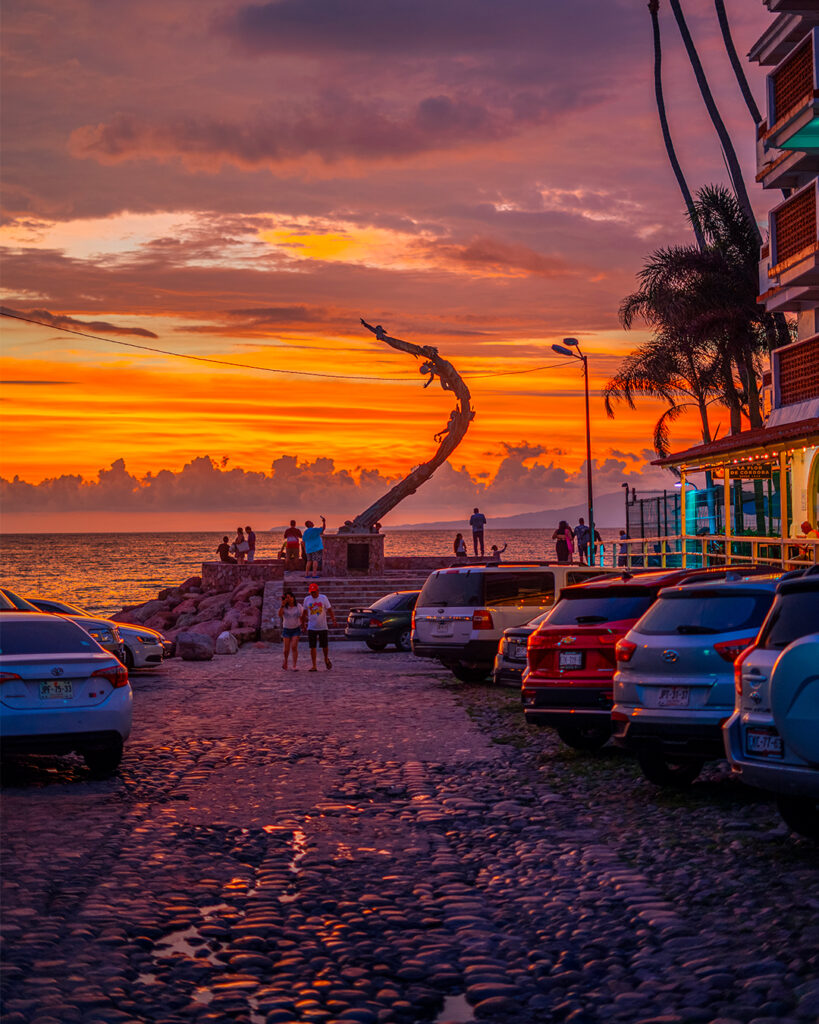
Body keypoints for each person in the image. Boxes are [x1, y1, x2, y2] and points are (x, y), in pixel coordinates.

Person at [302, 581, 336, 671]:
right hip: (311, 626)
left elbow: (329, 609)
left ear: (318, 591)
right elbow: (304, 613)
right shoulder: (307, 599)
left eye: (315, 592)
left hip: (322, 626)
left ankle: (325, 659)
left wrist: (333, 619)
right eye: (311, 592)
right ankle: (314, 665)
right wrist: (303, 624)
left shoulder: (323, 598)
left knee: (324, 646)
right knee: (312, 646)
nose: (313, 594)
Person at [278, 589, 303, 670]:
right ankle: (285, 661)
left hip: (296, 629)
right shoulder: (284, 606)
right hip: (286, 629)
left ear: (293, 597)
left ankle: (294, 665)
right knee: (286, 649)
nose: (289, 599)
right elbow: (279, 615)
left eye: (290, 597)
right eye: (287, 597)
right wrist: (282, 605)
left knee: (294, 646)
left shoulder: (298, 606)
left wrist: (304, 624)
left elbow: (302, 616)